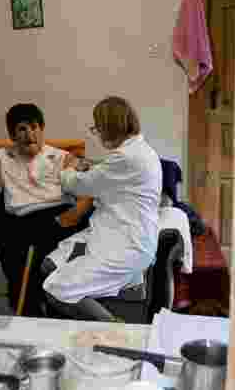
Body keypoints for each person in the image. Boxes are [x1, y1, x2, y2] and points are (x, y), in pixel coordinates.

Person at [42, 96, 162, 321]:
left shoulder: (126, 157)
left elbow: (79, 185)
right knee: (50, 266)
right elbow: (111, 177)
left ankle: (114, 328)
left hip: (125, 246)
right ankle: (124, 288)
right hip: (122, 234)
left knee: (55, 289)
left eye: (97, 128)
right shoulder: (140, 150)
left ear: (109, 127)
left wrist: (67, 170)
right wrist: (93, 169)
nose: (97, 133)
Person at [0, 103, 94, 316]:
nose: (29, 134)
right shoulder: (0, 157)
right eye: (22, 129)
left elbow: (87, 189)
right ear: (12, 135)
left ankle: (49, 311)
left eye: (34, 128)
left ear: (42, 129)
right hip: (23, 219)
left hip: (59, 215)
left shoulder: (61, 157)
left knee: (42, 253)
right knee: (16, 253)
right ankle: (31, 314)